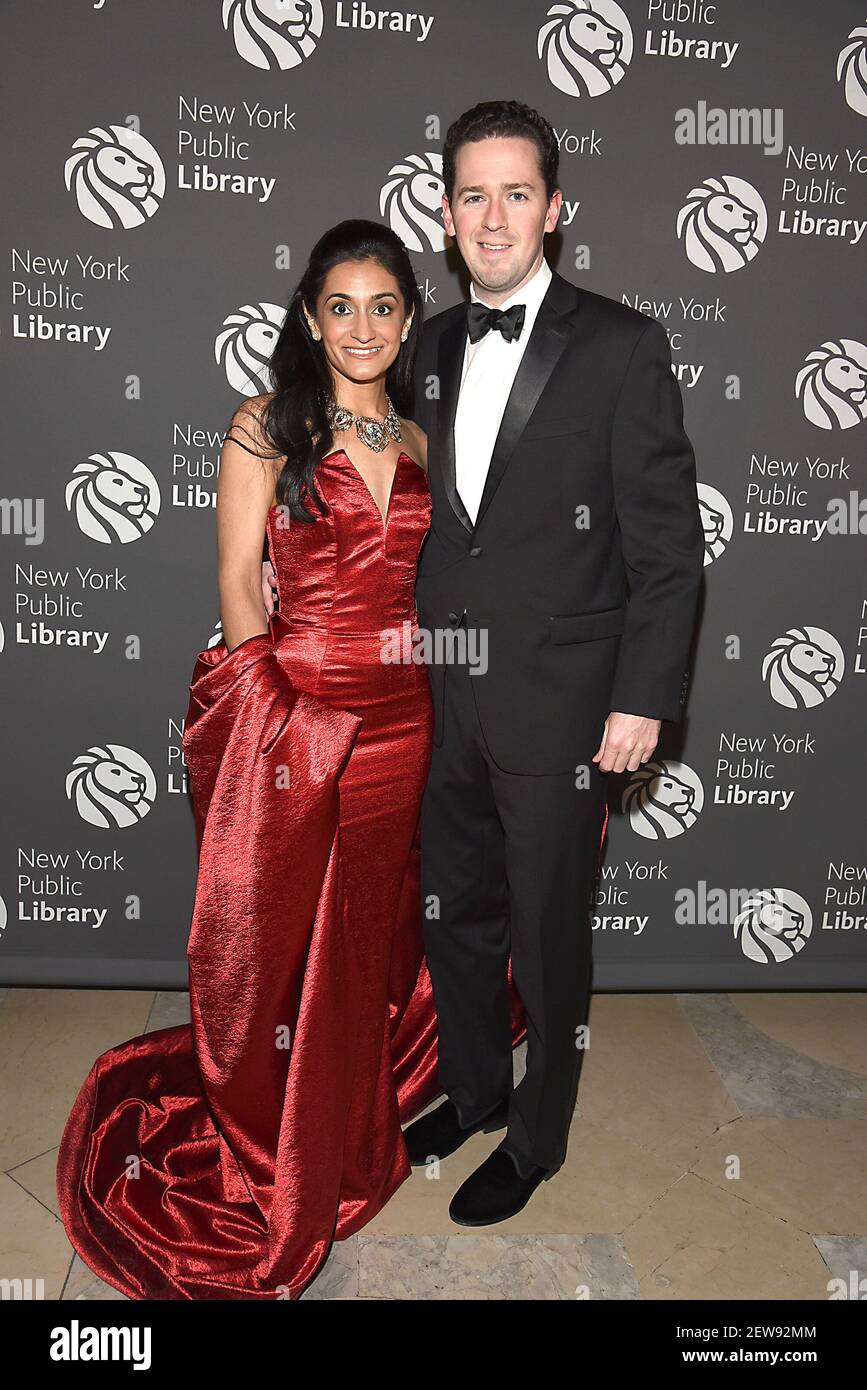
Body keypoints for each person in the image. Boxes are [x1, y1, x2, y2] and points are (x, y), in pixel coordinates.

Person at [56, 219, 527, 1300]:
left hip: (408, 724)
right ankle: (288, 1147)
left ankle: (353, 1136)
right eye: (341, 306)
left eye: (385, 306)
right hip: (302, 723)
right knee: (292, 952)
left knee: (369, 942)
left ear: (409, 319)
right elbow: (234, 588)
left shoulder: (420, 440)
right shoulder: (263, 427)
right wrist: (284, 724)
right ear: (311, 319)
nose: (363, 326)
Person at [266, 103, 704, 1227]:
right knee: (455, 914)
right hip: (439, 698)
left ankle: (539, 1137)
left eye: (518, 193)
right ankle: (472, 1090)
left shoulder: (622, 344)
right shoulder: (435, 348)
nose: (495, 216)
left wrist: (642, 702)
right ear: (447, 215)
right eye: (473, 195)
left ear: (555, 210)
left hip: (564, 713)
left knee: (550, 939)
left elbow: (666, 550)